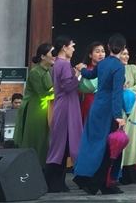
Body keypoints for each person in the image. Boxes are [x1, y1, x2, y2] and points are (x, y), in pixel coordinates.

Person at [73, 34, 127, 196]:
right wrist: (118, 115)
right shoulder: (119, 67)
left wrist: (81, 68)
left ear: (108, 47)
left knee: (94, 144)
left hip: (97, 107)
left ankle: (88, 179)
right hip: (109, 110)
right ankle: (97, 183)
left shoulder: (102, 64)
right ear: (123, 48)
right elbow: (117, 93)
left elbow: (89, 75)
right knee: (111, 147)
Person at [44, 35, 86, 193]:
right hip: (66, 107)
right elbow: (68, 86)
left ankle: (58, 183)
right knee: (60, 146)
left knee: (62, 146)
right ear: (64, 47)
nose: (73, 49)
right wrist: (78, 73)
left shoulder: (58, 64)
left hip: (64, 105)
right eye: (72, 46)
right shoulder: (64, 64)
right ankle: (52, 182)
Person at [12, 43, 54, 167]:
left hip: (46, 108)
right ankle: (30, 166)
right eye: (52, 53)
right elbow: (42, 95)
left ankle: (43, 166)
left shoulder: (50, 70)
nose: (55, 56)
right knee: (35, 138)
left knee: (45, 138)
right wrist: (60, 91)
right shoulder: (35, 72)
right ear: (43, 56)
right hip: (33, 109)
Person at [119, 47, 136, 184]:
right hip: (118, 106)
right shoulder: (114, 69)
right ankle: (118, 173)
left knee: (131, 138)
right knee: (119, 136)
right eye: (123, 54)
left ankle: (130, 174)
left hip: (131, 106)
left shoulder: (132, 68)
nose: (126, 56)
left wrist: (127, 91)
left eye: (127, 54)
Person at [79, 41, 106, 124]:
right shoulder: (85, 70)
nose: (101, 54)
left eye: (103, 51)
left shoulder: (108, 69)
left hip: (105, 105)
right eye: (97, 52)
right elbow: (78, 90)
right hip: (90, 104)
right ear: (90, 55)